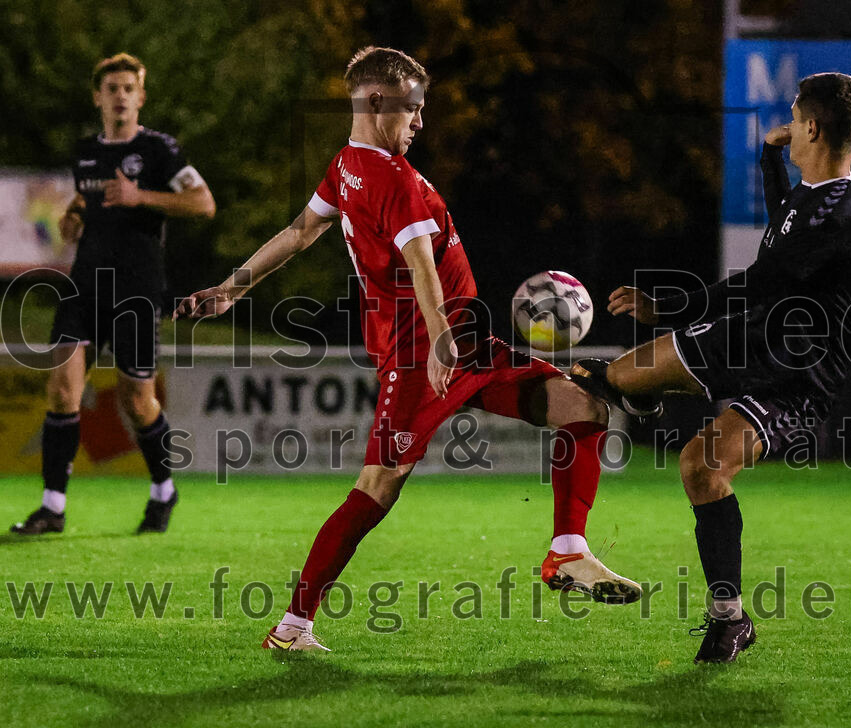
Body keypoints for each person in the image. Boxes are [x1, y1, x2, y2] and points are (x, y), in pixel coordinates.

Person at [174, 46, 640, 652]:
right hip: (423, 359)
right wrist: (441, 338)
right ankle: (292, 626)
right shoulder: (387, 177)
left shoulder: (348, 166)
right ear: (376, 102)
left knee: (583, 407)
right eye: (413, 109)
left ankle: (567, 553)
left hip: (468, 347)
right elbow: (419, 261)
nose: (420, 122)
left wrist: (231, 288)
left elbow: (299, 231)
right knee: (376, 490)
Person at [572, 72, 851, 663]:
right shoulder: (813, 199)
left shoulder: (841, 208)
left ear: (809, 126)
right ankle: (643, 395)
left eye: (794, 117)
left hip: (794, 373)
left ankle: (729, 620)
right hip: (755, 340)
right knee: (615, 378)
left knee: (700, 467)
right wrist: (767, 156)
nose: (788, 125)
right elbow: (781, 221)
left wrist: (669, 309)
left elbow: (761, 279)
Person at [10, 53, 216, 537]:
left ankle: (164, 489)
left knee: (137, 402)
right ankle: (52, 507)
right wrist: (74, 215)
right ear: (98, 96)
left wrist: (141, 196)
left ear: (140, 97)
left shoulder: (160, 150)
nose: (121, 95)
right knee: (61, 390)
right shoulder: (86, 151)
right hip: (84, 289)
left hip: (137, 293)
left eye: (129, 88)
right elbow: (87, 196)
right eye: (112, 88)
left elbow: (203, 203)